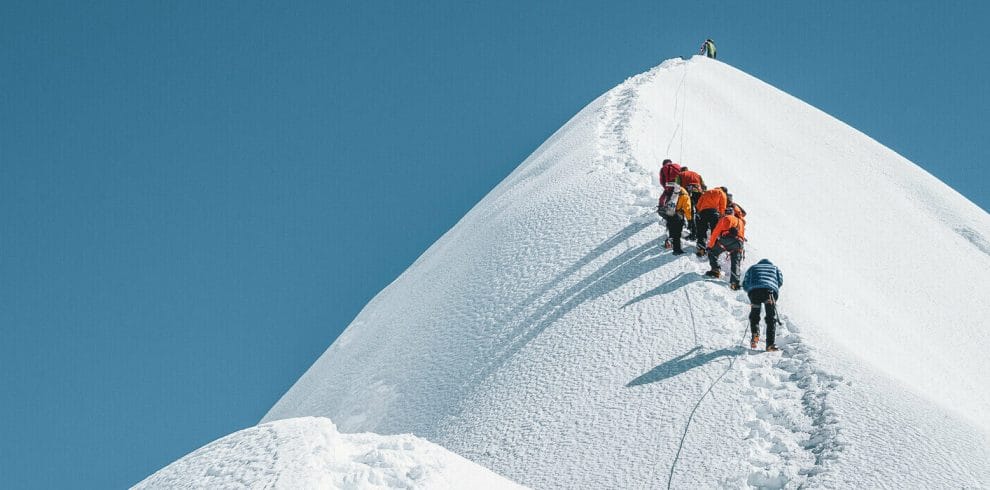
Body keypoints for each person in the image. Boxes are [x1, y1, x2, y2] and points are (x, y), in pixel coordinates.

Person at [742, 259, 783, 351]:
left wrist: (749, 290)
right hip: (770, 292)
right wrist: (773, 286)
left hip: (755, 292)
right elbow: (780, 281)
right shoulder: (775, 268)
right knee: (770, 317)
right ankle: (770, 344)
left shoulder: (752, 268)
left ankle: (755, 334)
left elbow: (745, 282)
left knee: (755, 314)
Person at [704, 210, 746, 289]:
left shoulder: (725, 218)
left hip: (727, 239)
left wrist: (710, 246)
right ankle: (735, 283)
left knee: (713, 252)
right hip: (739, 243)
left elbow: (716, 232)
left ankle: (715, 270)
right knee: (735, 262)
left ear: (726, 213)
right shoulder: (741, 222)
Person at [693, 186, 728, 256]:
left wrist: (699, 212)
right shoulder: (721, 193)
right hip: (714, 213)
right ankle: (713, 248)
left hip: (703, 213)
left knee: (702, 231)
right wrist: (721, 216)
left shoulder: (706, 192)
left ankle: (701, 248)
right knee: (714, 231)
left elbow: (698, 204)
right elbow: (722, 206)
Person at [660, 184, 693, 255]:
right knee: (677, 233)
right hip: (677, 215)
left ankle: (669, 242)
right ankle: (677, 250)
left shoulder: (674, 192)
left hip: (669, 213)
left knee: (671, 230)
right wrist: (689, 219)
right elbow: (687, 208)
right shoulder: (685, 195)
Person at [674, 166, 705, 239]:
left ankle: (693, 232)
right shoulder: (697, 175)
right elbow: (703, 186)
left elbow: (677, 187)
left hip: (688, 193)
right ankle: (701, 232)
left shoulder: (680, 175)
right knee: (699, 212)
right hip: (699, 193)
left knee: (690, 212)